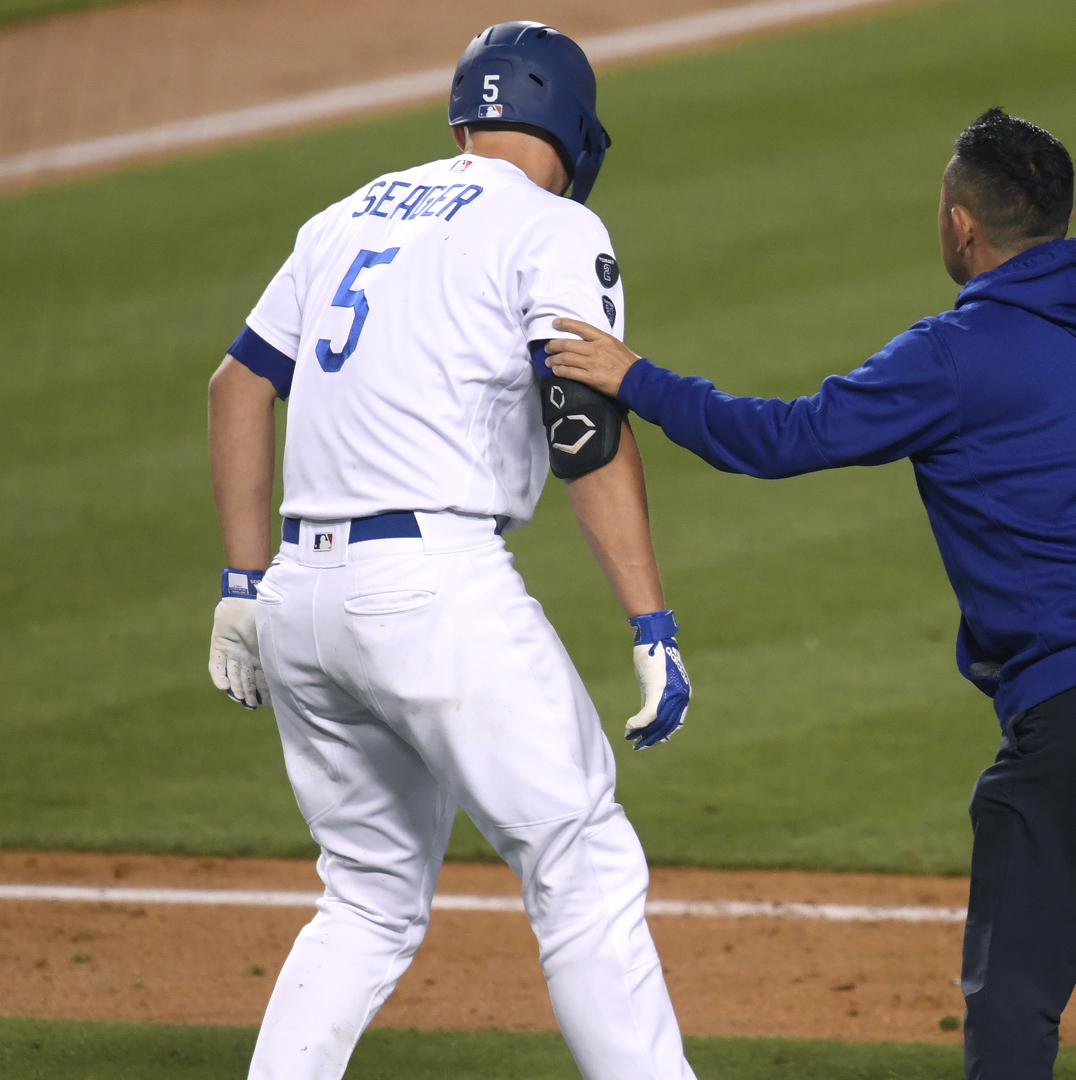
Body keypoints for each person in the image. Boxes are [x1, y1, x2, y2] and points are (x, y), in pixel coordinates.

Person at [543, 107, 1076, 1080]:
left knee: (1014, 985)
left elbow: (779, 439)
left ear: (963, 224)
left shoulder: (955, 353)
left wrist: (635, 377)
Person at [204, 22, 694, 1080]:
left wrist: (243, 587)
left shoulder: (344, 212)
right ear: (567, 124)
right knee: (582, 857)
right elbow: (582, 421)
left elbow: (237, 386)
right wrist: (651, 624)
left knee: (369, 896)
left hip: (300, 602)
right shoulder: (549, 224)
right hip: (429, 593)